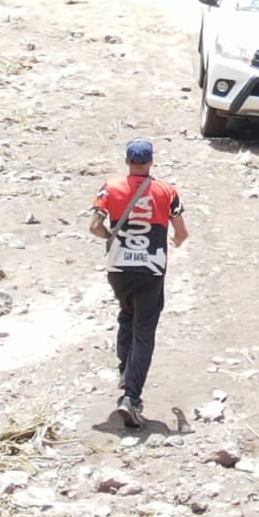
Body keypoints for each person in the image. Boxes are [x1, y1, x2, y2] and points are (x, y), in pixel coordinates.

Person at [89, 140, 188, 427]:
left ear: (127, 161)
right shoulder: (167, 191)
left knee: (126, 313)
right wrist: (175, 240)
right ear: (151, 162)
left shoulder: (110, 187)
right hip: (151, 269)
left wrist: (111, 237)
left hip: (119, 269)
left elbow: (94, 226)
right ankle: (131, 397)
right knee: (144, 329)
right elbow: (181, 232)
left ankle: (125, 369)